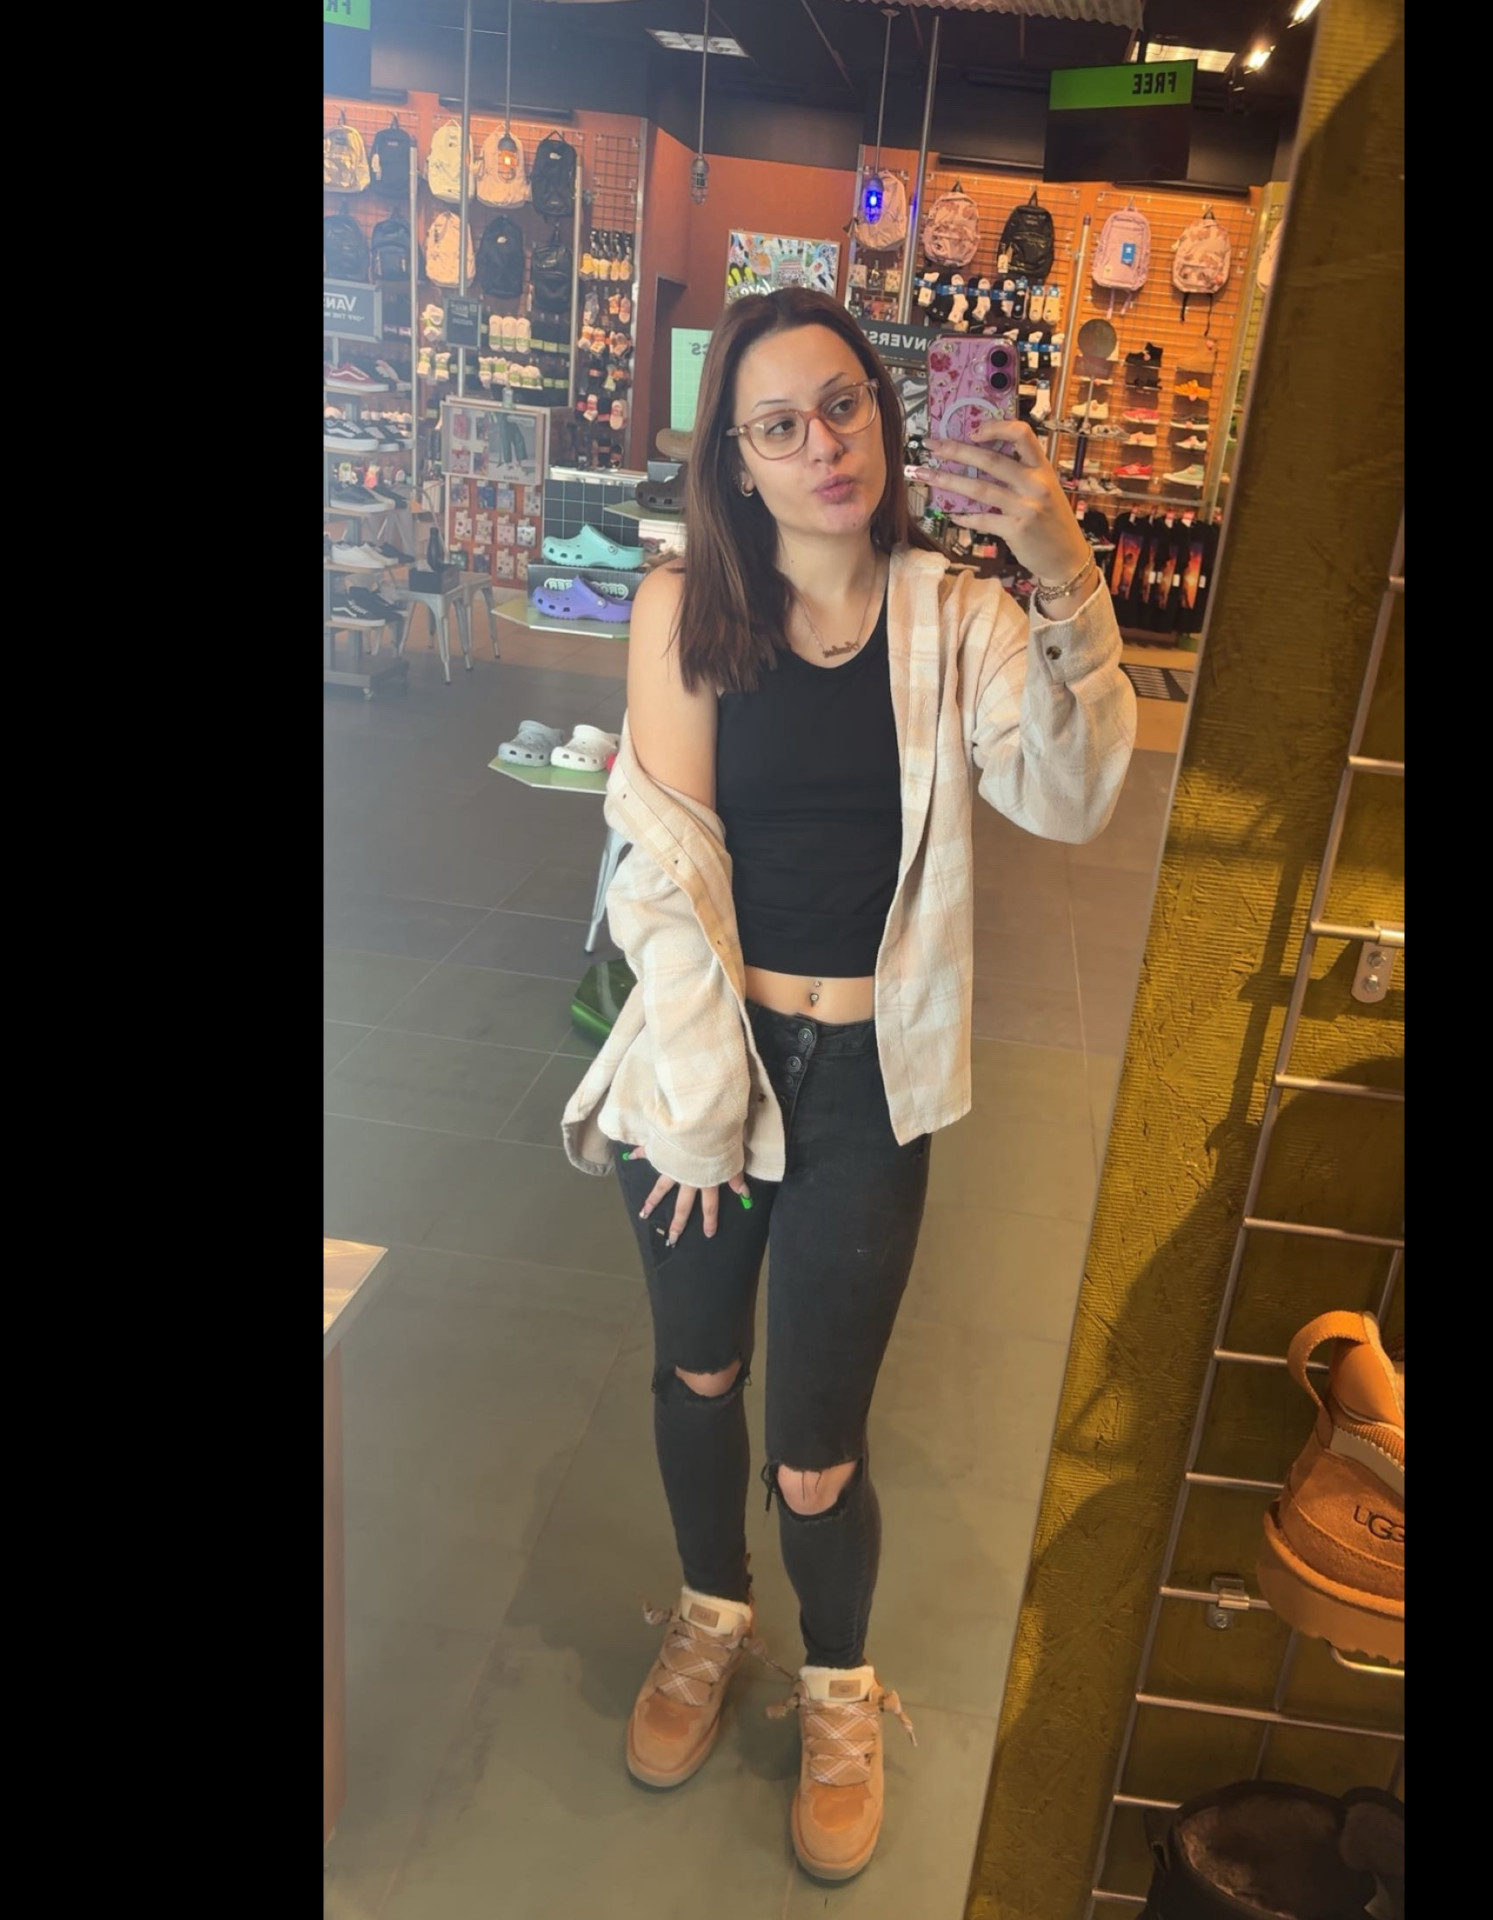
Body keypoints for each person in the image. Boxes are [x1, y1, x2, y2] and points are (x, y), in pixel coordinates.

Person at [561, 288, 1135, 1882]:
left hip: (871, 1084)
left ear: (885, 416)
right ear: (735, 461)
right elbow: (659, 878)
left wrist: (1066, 571)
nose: (823, 443)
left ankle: (836, 1685)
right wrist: (693, 1113)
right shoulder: (683, 610)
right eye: (779, 424)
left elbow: (1073, 795)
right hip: (707, 1062)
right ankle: (710, 1613)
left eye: (845, 406)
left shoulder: (957, 614)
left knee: (816, 1445)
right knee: (697, 1378)